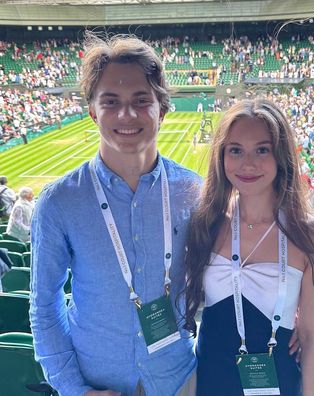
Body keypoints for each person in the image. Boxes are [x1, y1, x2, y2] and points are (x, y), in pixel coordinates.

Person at [29, 33, 200, 396]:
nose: (127, 114)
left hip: (179, 379)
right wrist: (75, 390)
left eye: (142, 100)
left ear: (163, 109)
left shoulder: (194, 191)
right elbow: (45, 307)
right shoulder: (59, 201)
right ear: (92, 111)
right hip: (95, 383)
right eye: (111, 102)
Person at [184, 99, 314, 396]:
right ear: (222, 156)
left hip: (278, 382)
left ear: (281, 156)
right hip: (210, 381)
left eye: (262, 150)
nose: (248, 164)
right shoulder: (205, 223)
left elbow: (311, 337)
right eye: (236, 150)